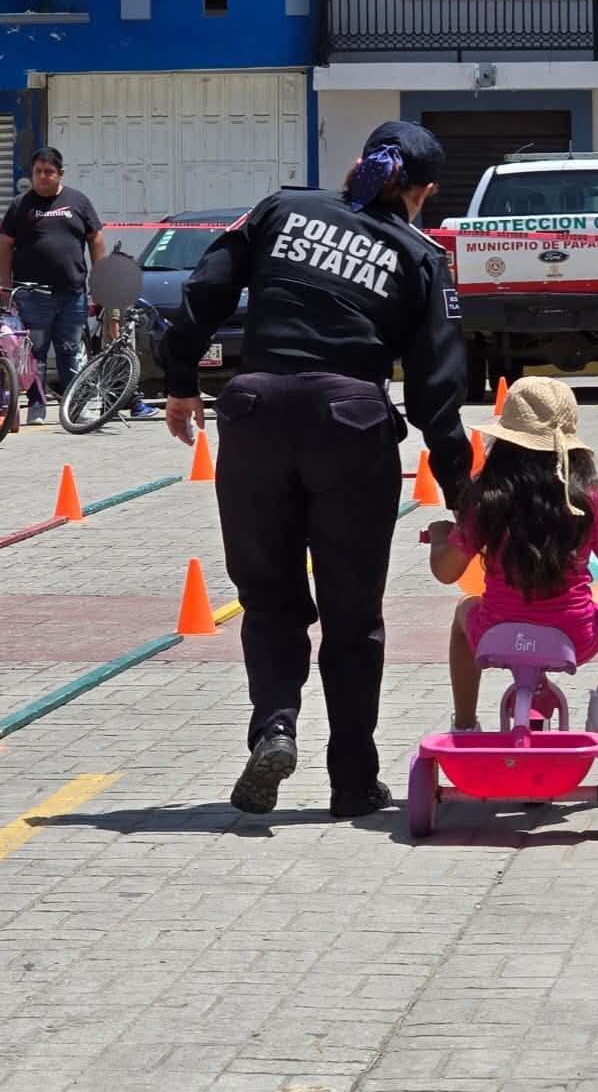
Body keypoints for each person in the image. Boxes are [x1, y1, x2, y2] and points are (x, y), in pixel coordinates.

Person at [161, 121, 471, 819]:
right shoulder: (419, 254)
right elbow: (437, 392)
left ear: (360, 166)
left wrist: (180, 379)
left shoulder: (281, 208)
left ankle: (275, 727)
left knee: (268, 598)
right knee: (351, 615)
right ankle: (353, 781)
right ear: (419, 193)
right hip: (350, 427)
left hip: (254, 413)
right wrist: (465, 496)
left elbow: (204, 287)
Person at [425, 378, 598, 735]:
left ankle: (465, 725)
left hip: (496, 633)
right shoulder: (585, 499)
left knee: (465, 610)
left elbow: (447, 571)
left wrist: (439, 537)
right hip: (572, 636)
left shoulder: (486, 499)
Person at [0, 148, 159, 424]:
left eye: (48, 172)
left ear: (60, 173)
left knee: (71, 351)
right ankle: (37, 404)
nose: (42, 177)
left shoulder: (78, 201)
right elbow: (4, 246)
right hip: (32, 294)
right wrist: (5, 286)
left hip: (72, 294)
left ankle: (76, 407)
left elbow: (95, 239)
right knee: (34, 351)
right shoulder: (20, 205)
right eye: (38, 171)